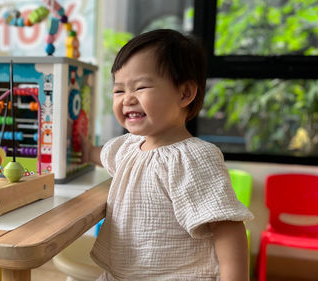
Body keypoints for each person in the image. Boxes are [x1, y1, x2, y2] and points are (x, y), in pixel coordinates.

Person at [84, 29, 254, 281]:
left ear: (184, 93)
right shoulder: (130, 147)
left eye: (141, 87)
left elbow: (227, 227)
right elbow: (102, 154)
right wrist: (81, 147)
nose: (127, 99)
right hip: (121, 274)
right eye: (119, 91)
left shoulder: (193, 157)